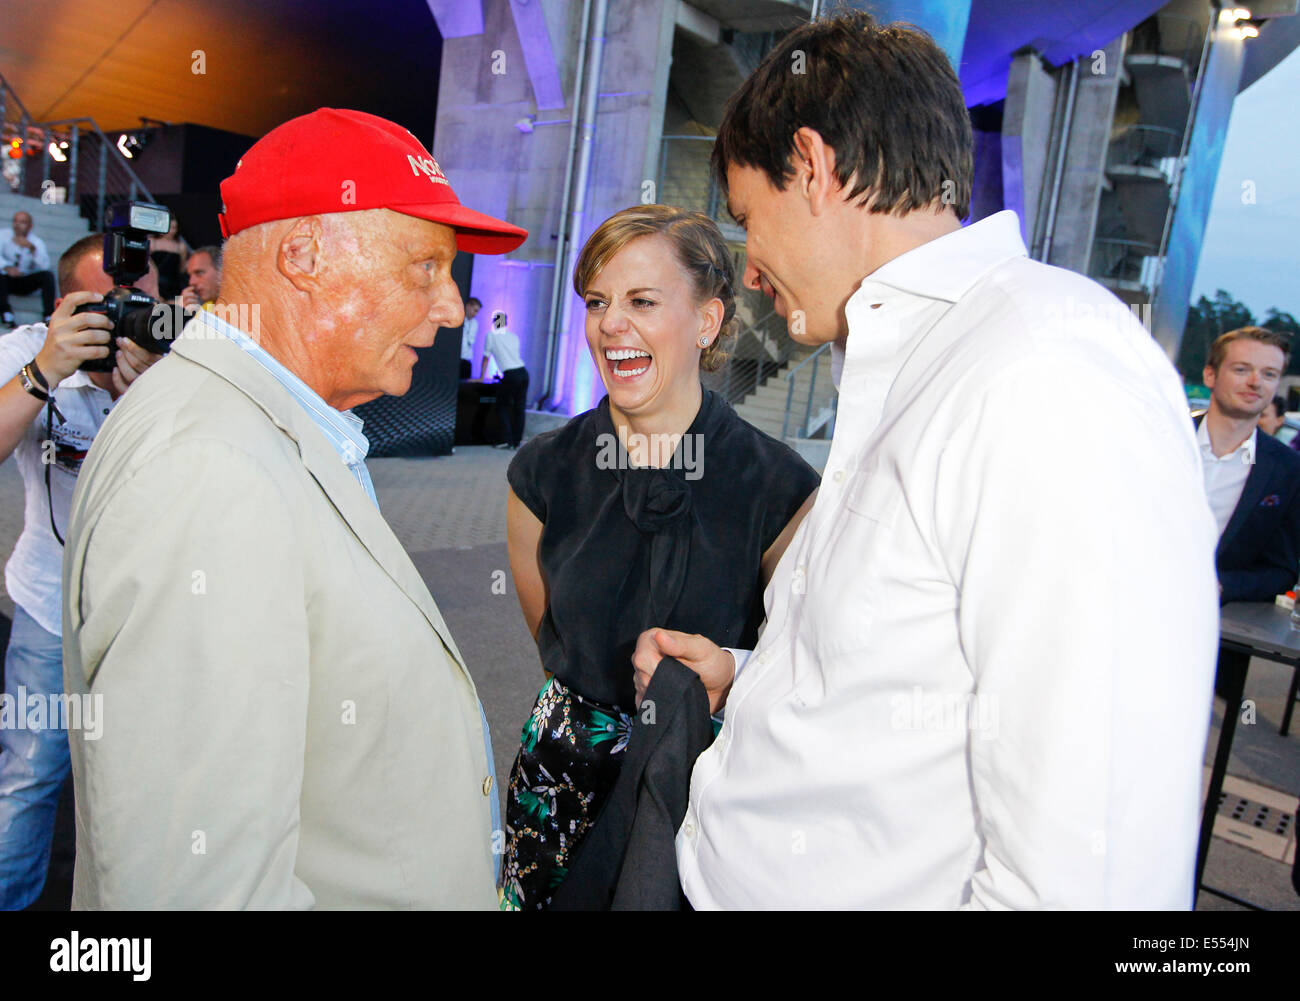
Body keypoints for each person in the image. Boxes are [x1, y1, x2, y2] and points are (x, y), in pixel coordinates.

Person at [632, 11, 1218, 909]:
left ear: (816, 167)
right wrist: (747, 681)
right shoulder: (913, 358)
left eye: (750, 218)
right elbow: (910, 669)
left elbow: (1095, 870)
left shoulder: (1046, 370)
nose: (750, 268)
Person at [59, 107, 527, 909]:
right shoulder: (209, 469)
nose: (452, 308)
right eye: (425, 266)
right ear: (303, 257)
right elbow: (199, 890)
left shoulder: (263, 428)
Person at [500, 204, 820, 909]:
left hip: (694, 802)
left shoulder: (780, 491)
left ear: (707, 321)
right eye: (596, 301)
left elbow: (798, 674)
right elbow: (552, 643)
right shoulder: (540, 475)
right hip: (555, 796)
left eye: (642, 300)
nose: (611, 323)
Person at [0, 235, 164, 910]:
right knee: (30, 776)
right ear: (66, 305)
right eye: (106, 307)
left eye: (140, 304)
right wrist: (46, 370)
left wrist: (160, 388)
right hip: (49, 601)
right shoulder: (31, 349)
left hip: (156, 610)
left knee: (145, 784)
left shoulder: (180, 358)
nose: (124, 322)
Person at [1195, 327, 1300, 604]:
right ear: (1210, 375)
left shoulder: (1287, 470)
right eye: (1242, 370)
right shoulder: (1159, 440)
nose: (1256, 382)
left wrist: (1219, 585)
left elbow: (1281, 569)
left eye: (1269, 374)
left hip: (1214, 627)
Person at [481, 310, 528, 448]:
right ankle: (516, 441)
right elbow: (514, 357)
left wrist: (481, 377)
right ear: (506, 322)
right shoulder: (514, 337)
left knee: (502, 406)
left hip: (510, 374)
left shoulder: (490, 336)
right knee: (519, 408)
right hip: (523, 373)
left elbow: (486, 357)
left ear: (494, 322)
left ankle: (505, 440)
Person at [1, 212, 56, 327]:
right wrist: (6, 266)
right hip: (6, 279)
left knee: (48, 276)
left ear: (30, 226)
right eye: (15, 221)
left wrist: (32, 249)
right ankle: (6, 314)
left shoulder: (36, 242)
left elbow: (45, 266)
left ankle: (49, 315)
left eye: (22, 222)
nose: (17, 225)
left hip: (25, 280)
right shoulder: (3, 235)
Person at [148, 216, 190, 301]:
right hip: (155, 282)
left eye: (175, 228)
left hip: (172, 285)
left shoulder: (181, 246)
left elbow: (181, 270)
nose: (172, 231)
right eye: (169, 227)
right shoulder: (152, 242)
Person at [180, 244, 221, 310]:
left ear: (222, 270)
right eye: (190, 276)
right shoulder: (205, 308)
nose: (191, 282)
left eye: (199, 273)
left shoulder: (241, 305)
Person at [460, 296, 481, 379]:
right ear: (468, 306)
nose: (475, 314)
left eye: (477, 312)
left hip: (467, 359)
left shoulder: (475, 323)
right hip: (456, 358)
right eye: (475, 310)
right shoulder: (459, 319)